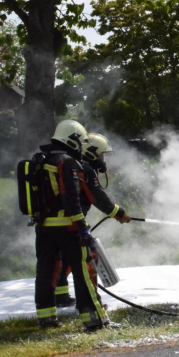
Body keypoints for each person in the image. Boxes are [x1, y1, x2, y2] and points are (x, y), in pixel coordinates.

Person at [33, 120, 110, 331]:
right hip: (67, 227)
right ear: (72, 139)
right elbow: (71, 197)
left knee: (46, 271)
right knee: (84, 269)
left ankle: (47, 318)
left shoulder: (41, 160)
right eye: (80, 141)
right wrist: (82, 225)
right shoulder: (66, 162)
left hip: (44, 228)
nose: (81, 146)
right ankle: (94, 319)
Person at [54, 133, 131, 308]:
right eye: (101, 154)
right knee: (87, 259)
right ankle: (90, 303)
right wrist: (119, 214)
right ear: (90, 151)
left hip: (59, 222)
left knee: (64, 258)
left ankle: (60, 296)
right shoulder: (86, 169)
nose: (103, 159)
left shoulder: (74, 165)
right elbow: (98, 198)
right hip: (72, 222)